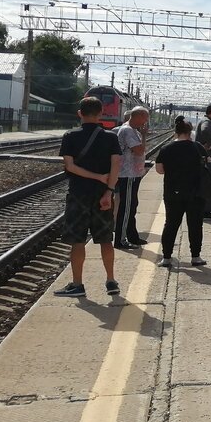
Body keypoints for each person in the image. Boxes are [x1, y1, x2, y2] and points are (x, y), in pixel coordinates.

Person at [54, 96, 123, 298]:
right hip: (103, 195)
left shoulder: (70, 136)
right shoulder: (110, 137)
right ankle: (111, 281)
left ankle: (77, 285)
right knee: (105, 239)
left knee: (78, 240)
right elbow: (116, 164)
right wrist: (108, 191)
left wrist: (95, 176)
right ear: (101, 113)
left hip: (78, 194)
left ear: (79, 114)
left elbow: (70, 166)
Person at [154, 117, 209, 268]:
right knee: (195, 225)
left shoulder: (167, 148)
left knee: (171, 224)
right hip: (196, 193)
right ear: (190, 132)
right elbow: (207, 165)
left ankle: (166, 258)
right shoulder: (198, 147)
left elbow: (159, 170)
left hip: (173, 192)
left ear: (176, 132)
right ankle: (196, 257)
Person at [113, 105, 150, 249]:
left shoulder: (133, 130)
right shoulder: (128, 130)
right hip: (127, 175)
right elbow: (140, 151)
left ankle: (132, 236)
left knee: (132, 205)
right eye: (145, 118)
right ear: (139, 116)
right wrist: (145, 135)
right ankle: (121, 240)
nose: (145, 122)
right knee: (126, 207)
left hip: (132, 174)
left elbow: (140, 150)